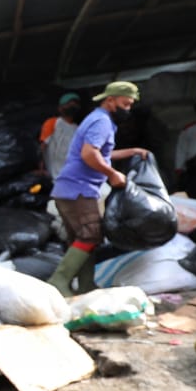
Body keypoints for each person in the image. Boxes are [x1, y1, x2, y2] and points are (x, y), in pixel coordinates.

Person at [46, 81, 150, 297]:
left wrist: (131, 151)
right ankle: (58, 281)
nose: (128, 109)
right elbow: (88, 154)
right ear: (110, 100)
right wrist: (112, 175)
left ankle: (86, 286)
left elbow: (100, 153)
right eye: (125, 103)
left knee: (84, 238)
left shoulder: (99, 120)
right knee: (91, 235)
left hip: (70, 189)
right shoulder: (101, 121)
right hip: (79, 189)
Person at [39, 92, 81, 176]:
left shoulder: (78, 128)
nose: (72, 105)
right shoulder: (52, 123)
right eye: (68, 104)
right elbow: (42, 147)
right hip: (57, 175)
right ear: (60, 108)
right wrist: (40, 169)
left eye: (75, 104)